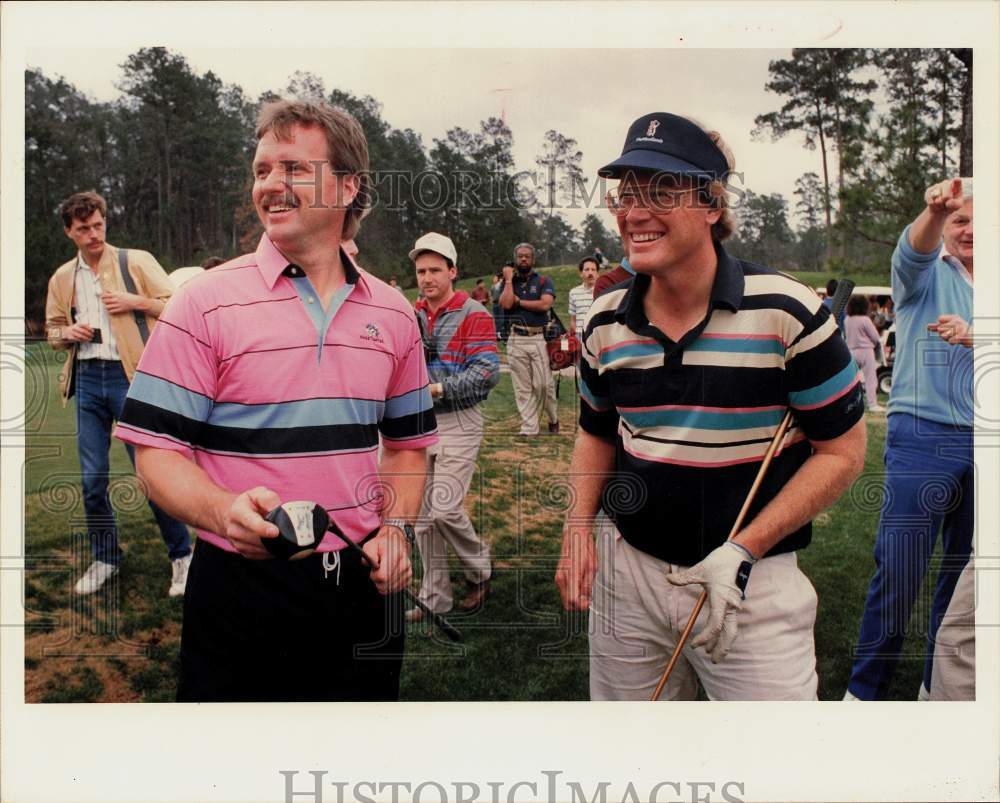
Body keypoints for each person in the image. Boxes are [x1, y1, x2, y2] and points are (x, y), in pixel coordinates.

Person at [114, 99, 438, 702]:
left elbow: (408, 448)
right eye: (262, 170)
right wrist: (221, 511)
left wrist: (395, 528)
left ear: (347, 187)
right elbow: (155, 455)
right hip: (239, 586)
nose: (270, 185)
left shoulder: (393, 312)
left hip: (362, 586)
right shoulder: (203, 302)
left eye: (292, 168)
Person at [555, 112, 866, 701]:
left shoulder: (789, 312)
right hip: (630, 575)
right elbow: (596, 432)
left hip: (753, 582)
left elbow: (844, 451)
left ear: (713, 206)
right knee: (630, 767)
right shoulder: (604, 318)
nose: (634, 212)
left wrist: (743, 549)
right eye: (625, 194)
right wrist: (577, 527)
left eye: (662, 192)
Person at [846, 177, 974, 701]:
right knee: (900, 569)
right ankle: (864, 694)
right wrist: (933, 212)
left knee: (963, 577)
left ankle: (934, 688)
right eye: (960, 220)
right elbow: (913, 249)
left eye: (977, 223)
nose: (968, 231)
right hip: (923, 432)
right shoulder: (923, 272)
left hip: (985, 440)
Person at [44, 191, 193, 597]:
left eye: (98, 225)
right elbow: (52, 330)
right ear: (69, 232)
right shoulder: (63, 278)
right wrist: (66, 334)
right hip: (88, 381)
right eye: (83, 229)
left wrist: (136, 301)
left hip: (133, 378)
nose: (93, 234)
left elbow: (179, 304)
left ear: (104, 222)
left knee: (152, 476)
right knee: (93, 482)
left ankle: (182, 555)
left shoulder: (135, 261)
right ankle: (106, 558)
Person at [407, 232, 500, 622]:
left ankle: (480, 569)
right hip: (418, 423)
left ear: (452, 271)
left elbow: (487, 373)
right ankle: (435, 597)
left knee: (444, 509)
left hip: (458, 420)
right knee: (422, 519)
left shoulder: (474, 313)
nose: (427, 278)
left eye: (434, 270)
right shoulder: (411, 313)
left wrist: (438, 388)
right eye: (421, 271)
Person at [500, 243, 560, 435]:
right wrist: (508, 281)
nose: (523, 259)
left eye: (527, 256)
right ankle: (529, 428)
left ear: (533, 260)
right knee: (522, 387)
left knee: (544, 385)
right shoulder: (510, 282)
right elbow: (506, 303)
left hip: (538, 338)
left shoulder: (543, 281)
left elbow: (544, 305)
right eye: (520, 256)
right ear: (515, 259)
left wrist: (520, 302)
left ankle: (553, 418)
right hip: (516, 338)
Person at [844, 294, 884, 412]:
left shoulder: (847, 319)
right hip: (866, 351)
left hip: (851, 351)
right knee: (870, 378)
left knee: (851, 380)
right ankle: (872, 404)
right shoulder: (865, 320)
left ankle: (850, 404)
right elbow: (875, 337)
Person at [568, 257, 599, 342]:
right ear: (581, 273)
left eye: (593, 270)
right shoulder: (573, 292)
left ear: (597, 273)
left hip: (598, 337)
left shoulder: (603, 292)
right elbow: (573, 319)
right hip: (579, 337)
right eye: (587, 270)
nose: (590, 273)